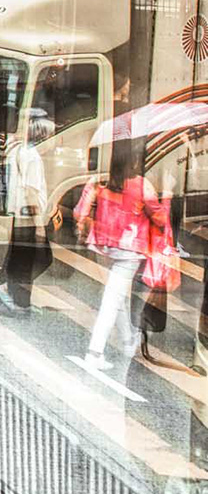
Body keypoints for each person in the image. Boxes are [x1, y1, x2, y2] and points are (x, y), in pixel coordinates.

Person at [76, 144, 166, 370]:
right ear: (134, 161)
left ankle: (127, 342)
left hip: (102, 246)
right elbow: (161, 219)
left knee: (116, 297)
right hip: (129, 250)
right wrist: (169, 195)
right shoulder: (142, 186)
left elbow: (80, 212)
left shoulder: (99, 182)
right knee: (112, 300)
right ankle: (94, 352)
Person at [0, 110, 52, 313]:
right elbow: (31, 191)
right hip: (27, 216)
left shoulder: (19, 150)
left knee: (21, 258)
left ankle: (17, 296)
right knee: (39, 259)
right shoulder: (32, 156)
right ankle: (13, 294)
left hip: (18, 213)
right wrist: (39, 224)